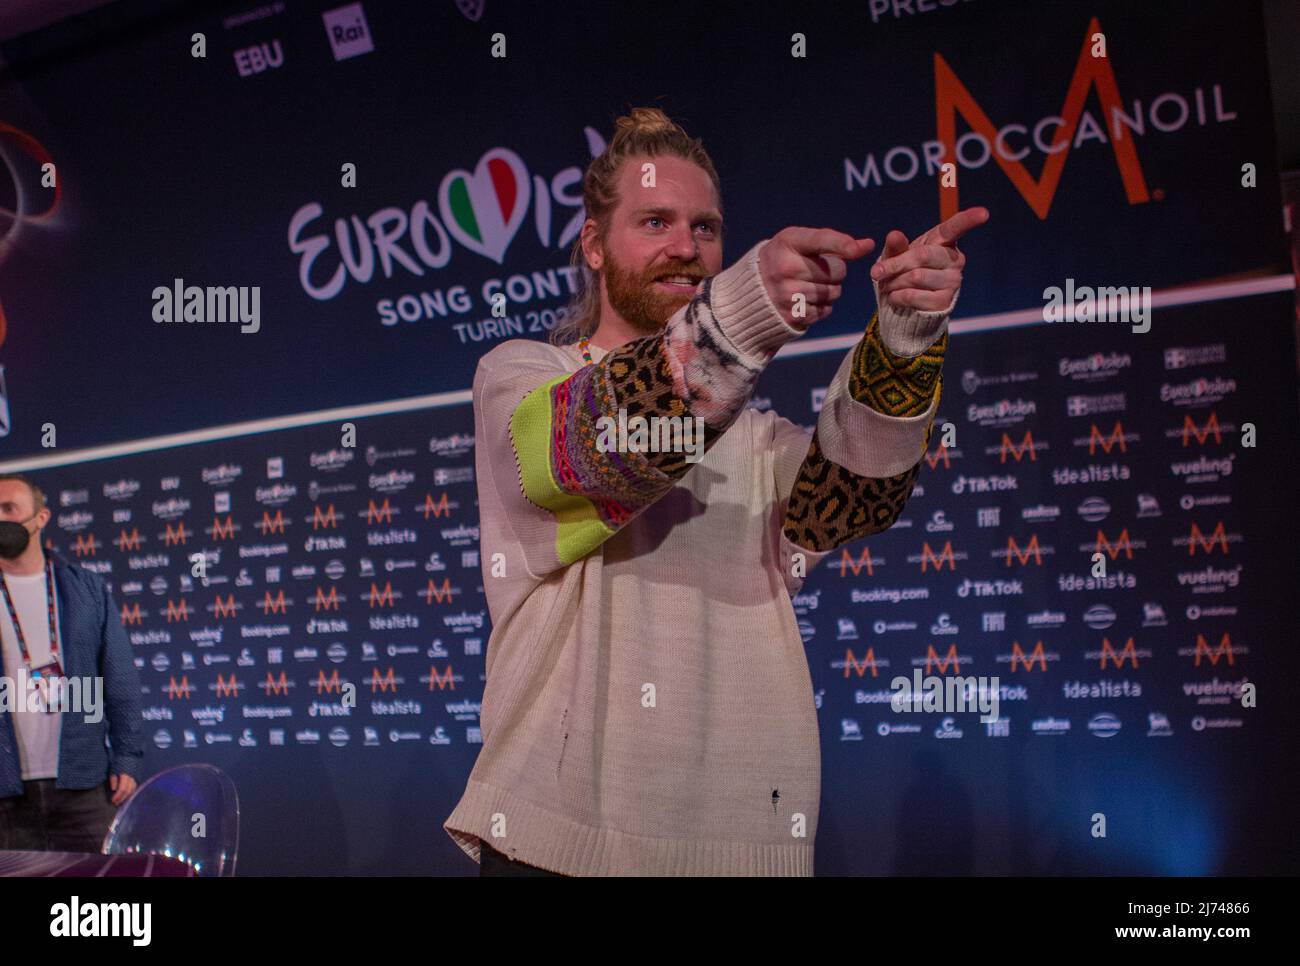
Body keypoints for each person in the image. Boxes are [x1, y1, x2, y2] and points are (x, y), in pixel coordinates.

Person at [444, 107, 987, 875]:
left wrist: (903, 337)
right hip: (550, 847)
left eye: (705, 227)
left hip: (738, 850)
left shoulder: (755, 438)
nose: (686, 247)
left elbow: (857, 498)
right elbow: (599, 446)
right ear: (594, 246)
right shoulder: (522, 377)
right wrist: (746, 308)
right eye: (656, 221)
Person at [0, 473, 145, 852]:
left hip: (82, 784)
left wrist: (127, 756)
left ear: (41, 518)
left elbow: (120, 679)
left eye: (8, 509)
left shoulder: (86, 589)